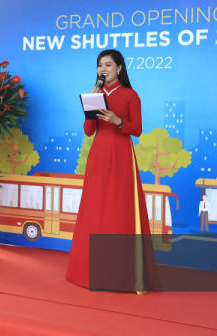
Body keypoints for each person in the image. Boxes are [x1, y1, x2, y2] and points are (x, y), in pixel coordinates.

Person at [66, 49, 158, 292]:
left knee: (119, 206)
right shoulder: (95, 94)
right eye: (100, 65)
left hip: (120, 154)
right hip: (98, 154)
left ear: (119, 68)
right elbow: (88, 131)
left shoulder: (130, 95)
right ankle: (88, 271)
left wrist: (118, 121)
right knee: (95, 207)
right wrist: (90, 103)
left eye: (108, 64)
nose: (103, 69)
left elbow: (137, 129)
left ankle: (122, 273)